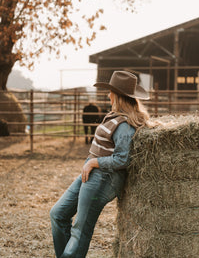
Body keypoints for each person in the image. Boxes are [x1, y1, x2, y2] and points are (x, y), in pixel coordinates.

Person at [50, 71, 150, 258]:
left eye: (111, 91)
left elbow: (123, 159)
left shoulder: (124, 126)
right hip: (92, 171)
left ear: (118, 96)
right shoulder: (115, 116)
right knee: (57, 214)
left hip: (104, 177)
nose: (108, 95)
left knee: (81, 229)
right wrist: (91, 163)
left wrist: (95, 162)